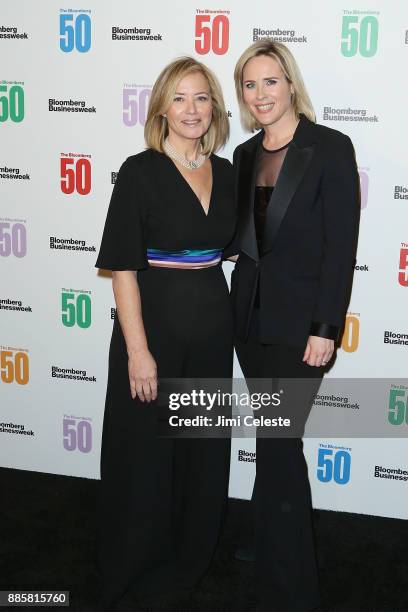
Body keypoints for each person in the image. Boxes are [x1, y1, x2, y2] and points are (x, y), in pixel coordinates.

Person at [94, 57, 235, 611]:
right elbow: (122, 267)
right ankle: (133, 566)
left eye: (201, 97)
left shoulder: (227, 172)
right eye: (179, 98)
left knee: (199, 453)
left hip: (210, 332)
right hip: (150, 333)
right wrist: (138, 351)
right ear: (161, 108)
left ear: (215, 108)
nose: (192, 109)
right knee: (143, 457)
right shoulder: (140, 171)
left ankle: (188, 561)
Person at [228, 40, 360, 611]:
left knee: (280, 442)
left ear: (290, 84)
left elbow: (340, 247)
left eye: (271, 81)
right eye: (251, 85)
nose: (261, 94)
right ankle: (269, 537)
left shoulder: (329, 147)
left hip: (302, 328)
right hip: (249, 322)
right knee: (271, 439)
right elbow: (238, 240)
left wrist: (325, 326)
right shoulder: (241, 155)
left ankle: (294, 584)